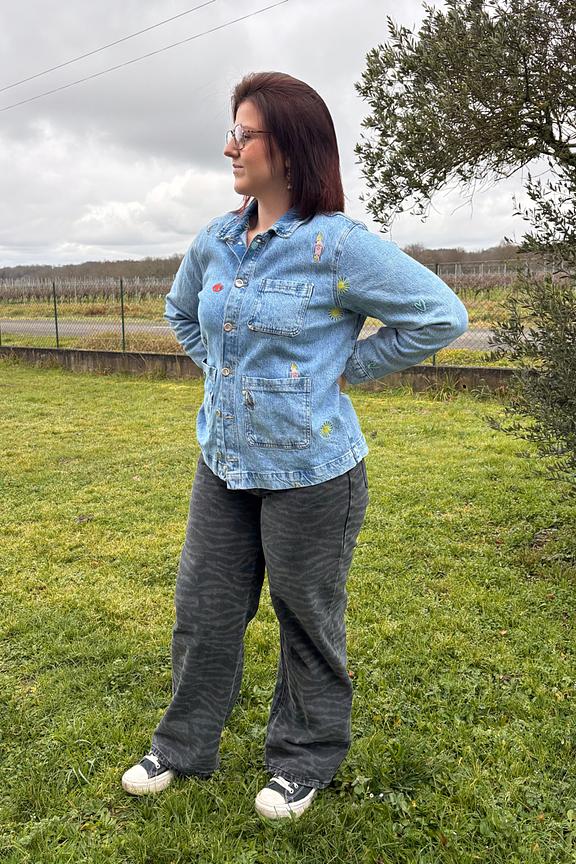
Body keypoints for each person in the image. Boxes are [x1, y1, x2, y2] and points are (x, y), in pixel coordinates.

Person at [122, 71, 468, 819]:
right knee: (204, 612)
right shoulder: (216, 240)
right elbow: (181, 313)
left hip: (313, 472)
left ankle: (303, 759)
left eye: (244, 134)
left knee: (306, 618)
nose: (230, 147)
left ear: (289, 146)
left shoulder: (336, 245)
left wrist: (344, 371)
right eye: (232, 131)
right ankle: (181, 746)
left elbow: (441, 315)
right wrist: (223, 373)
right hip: (222, 464)